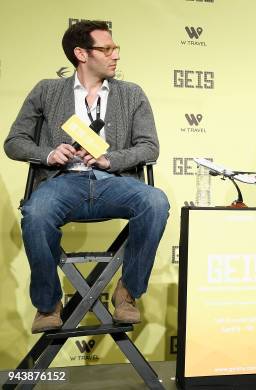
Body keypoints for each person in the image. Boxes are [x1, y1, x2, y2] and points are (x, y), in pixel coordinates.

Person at [4, 21, 170, 333]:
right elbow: (14, 142)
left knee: (156, 202)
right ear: (81, 53)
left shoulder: (132, 93)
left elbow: (149, 147)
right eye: (106, 49)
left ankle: (127, 294)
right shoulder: (47, 91)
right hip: (63, 183)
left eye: (115, 48)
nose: (115, 55)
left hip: (115, 183)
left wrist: (111, 159)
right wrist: (50, 154)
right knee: (36, 212)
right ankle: (47, 303)